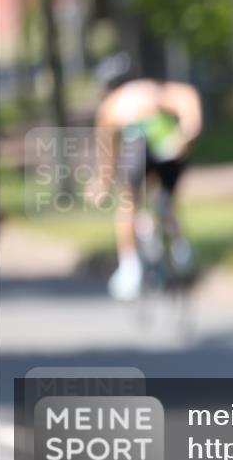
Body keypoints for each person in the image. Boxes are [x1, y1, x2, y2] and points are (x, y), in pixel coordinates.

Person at [86, 54, 203, 301]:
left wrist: (101, 184)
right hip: (169, 142)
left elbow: (107, 157)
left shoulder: (111, 104)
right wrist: (189, 131)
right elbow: (187, 97)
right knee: (166, 201)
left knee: (127, 203)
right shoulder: (152, 88)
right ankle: (180, 248)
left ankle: (130, 268)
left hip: (139, 143)